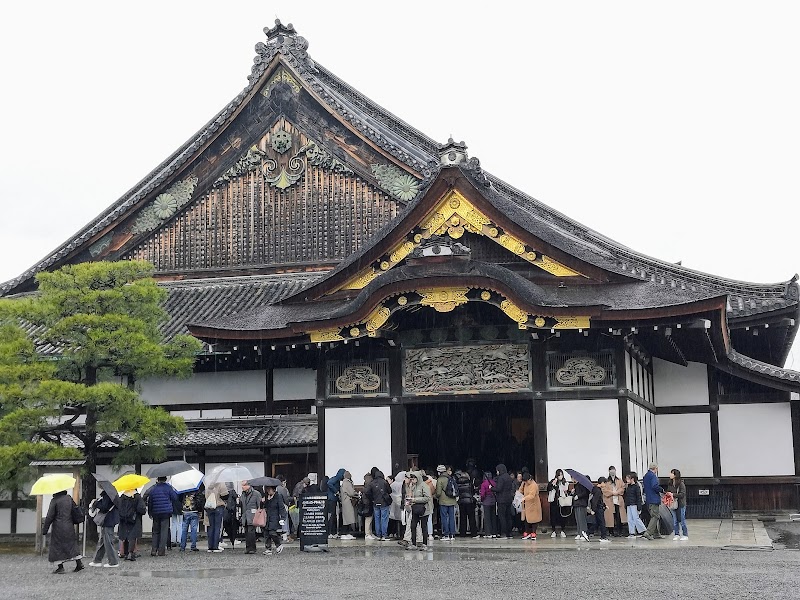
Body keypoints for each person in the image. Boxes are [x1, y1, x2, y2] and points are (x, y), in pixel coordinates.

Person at [43, 490, 84, 574]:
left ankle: (60, 567)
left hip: (58, 527)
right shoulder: (69, 498)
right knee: (72, 545)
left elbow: (50, 516)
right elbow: (74, 510)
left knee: (57, 547)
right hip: (69, 525)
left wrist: (45, 529)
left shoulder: (54, 501)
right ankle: (79, 564)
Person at [89, 489, 120, 567]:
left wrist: (96, 503)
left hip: (108, 520)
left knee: (108, 541)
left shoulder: (107, 494)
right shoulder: (112, 494)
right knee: (103, 541)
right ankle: (97, 560)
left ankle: (113, 561)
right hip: (110, 519)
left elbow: (104, 507)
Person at [147, 476, 177, 557]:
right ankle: (161, 551)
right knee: (164, 531)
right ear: (165, 479)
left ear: (158, 479)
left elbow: (150, 501)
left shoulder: (153, 489)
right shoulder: (168, 488)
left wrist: (150, 512)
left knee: (155, 531)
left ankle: (154, 549)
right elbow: (175, 498)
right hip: (166, 512)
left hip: (155, 512)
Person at [117, 488, 146, 561]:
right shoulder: (137, 496)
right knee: (133, 536)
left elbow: (119, 508)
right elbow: (141, 509)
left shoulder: (122, 497)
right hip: (134, 519)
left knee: (125, 536)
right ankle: (131, 553)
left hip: (124, 519)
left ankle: (126, 554)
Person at [407, 471, 432, 550]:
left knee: (423, 526)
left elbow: (427, 498)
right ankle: (413, 543)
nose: (412, 480)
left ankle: (424, 544)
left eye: (413, 478)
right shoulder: (413, 486)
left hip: (424, 509)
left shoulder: (424, 486)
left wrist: (415, 500)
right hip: (415, 508)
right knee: (413, 525)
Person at [365, 469, 392, 541]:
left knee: (377, 519)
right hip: (384, 503)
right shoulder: (384, 482)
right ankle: (384, 535)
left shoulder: (372, 483)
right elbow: (390, 491)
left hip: (375, 503)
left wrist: (372, 498)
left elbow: (367, 492)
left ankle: (378, 535)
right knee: (384, 519)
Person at [262, 485, 288, 555]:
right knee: (266, 533)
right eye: (267, 489)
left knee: (272, 533)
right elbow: (264, 507)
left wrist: (283, 518)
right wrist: (263, 502)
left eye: (269, 489)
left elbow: (282, 508)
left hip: (275, 518)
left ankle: (278, 545)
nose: (268, 491)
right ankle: (268, 548)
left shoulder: (278, 497)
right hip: (267, 517)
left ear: (273, 489)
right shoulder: (266, 497)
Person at [435, 464, 457, 541]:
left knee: (444, 518)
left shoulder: (440, 479)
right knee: (452, 518)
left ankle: (446, 534)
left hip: (443, 501)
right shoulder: (451, 478)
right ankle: (452, 535)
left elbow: (438, 492)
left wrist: (436, 496)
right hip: (452, 501)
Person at [643, 462, 664, 540]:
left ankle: (656, 533)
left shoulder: (646, 476)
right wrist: (662, 490)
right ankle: (648, 532)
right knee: (655, 516)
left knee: (653, 516)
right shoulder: (653, 476)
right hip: (654, 499)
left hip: (648, 499)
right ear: (655, 468)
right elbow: (655, 486)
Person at [492, 464, 515, 539]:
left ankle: (503, 533)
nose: (497, 472)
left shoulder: (501, 478)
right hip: (508, 499)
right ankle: (509, 533)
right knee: (508, 516)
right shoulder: (508, 477)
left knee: (502, 517)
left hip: (501, 499)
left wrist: (491, 488)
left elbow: (499, 489)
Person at [240, 480, 262, 554]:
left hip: (253, 516)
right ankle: (248, 548)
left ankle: (252, 548)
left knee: (251, 532)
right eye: (242, 485)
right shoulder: (242, 495)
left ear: (249, 486)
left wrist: (259, 514)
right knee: (246, 532)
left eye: (244, 485)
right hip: (245, 516)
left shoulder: (256, 494)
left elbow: (260, 505)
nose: (242, 487)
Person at [178, 487, 204, 552]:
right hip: (194, 511)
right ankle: (193, 546)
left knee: (184, 530)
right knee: (194, 530)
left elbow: (179, 498)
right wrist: (200, 511)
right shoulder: (197, 491)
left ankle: (182, 546)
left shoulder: (183, 490)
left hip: (185, 512)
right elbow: (199, 501)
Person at [518, 470, 542, 540]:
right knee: (526, 519)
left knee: (534, 519)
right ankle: (527, 532)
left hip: (533, 504)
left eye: (526, 481)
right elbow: (520, 491)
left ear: (529, 479)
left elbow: (532, 495)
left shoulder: (533, 485)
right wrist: (522, 485)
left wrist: (524, 498)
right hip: (527, 504)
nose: (525, 483)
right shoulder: (525, 483)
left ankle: (533, 533)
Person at [604, 466, 627, 536]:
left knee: (619, 516)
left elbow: (623, 488)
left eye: (613, 470)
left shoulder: (619, 480)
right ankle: (611, 531)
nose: (612, 472)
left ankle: (620, 531)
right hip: (609, 501)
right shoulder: (606, 481)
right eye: (611, 470)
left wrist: (617, 492)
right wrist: (612, 493)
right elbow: (604, 490)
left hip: (618, 500)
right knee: (610, 517)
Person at [547, 469, 569, 538]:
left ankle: (563, 530)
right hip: (554, 501)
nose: (560, 476)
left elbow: (566, 491)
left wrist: (565, 491)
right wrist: (552, 484)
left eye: (561, 475)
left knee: (562, 516)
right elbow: (548, 489)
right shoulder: (553, 481)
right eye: (559, 475)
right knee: (553, 516)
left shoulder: (564, 482)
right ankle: (553, 531)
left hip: (562, 501)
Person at [206, 481, 227, 552]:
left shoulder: (208, 485)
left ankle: (210, 547)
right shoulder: (221, 483)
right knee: (217, 527)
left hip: (209, 507)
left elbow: (205, 496)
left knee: (211, 527)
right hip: (218, 506)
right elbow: (225, 495)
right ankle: (215, 546)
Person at [624, 472, 646, 537]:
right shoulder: (628, 486)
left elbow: (638, 497)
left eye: (628, 479)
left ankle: (643, 530)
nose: (627, 480)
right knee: (629, 519)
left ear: (632, 479)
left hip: (634, 504)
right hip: (629, 504)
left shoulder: (636, 486)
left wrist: (639, 507)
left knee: (636, 518)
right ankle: (632, 532)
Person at [668, 468, 688, 541]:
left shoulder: (681, 484)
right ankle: (676, 534)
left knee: (682, 519)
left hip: (680, 503)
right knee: (675, 520)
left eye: (672, 473)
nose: (670, 474)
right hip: (673, 504)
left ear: (675, 475)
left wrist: (672, 494)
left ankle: (685, 534)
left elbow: (682, 494)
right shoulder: (670, 483)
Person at [456, 469, 477, 537]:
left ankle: (462, 533)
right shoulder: (470, 483)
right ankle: (473, 533)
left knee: (463, 518)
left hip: (461, 501)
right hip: (469, 501)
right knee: (471, 518)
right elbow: (472, 492)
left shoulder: (458, 483)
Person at [590, 477, 610, 542]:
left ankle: (587, 533)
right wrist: (593, 509)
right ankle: (603, 537)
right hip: (598, 508)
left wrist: (604, 505)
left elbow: (599, 500)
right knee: (602, 523)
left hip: (598, 507)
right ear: (602, 483)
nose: (605, 485)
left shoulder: (596, 489)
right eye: (605, 483)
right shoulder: (598, 491)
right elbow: (595, 501)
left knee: (597, 523)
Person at [327, 468, 346, 539]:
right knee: (332, 516)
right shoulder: (335, 479)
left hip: (333, 499)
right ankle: (330, 532)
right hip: (331, 500)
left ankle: (332, 532)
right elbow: (329, 483)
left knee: (333, 516)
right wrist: (336, 491)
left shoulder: (336, 480)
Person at [339, 471, 358, 539]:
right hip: (348, 502)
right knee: (348, 518)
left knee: (347, 518)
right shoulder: (347, 483)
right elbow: (351, 493)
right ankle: (344, 533)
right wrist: (356, 493)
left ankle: (347, 533)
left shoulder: (344, 482)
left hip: (345, 501)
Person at [479, 471, 497, 538]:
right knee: (493, 517)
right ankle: (494, 532)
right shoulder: (494, 483)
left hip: (486, 502)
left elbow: (483, 494)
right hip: (493, 501)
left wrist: (481, 500)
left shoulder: (483, 484)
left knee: (487, 518)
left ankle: (488, 533)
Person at [363, 470, 375, 539]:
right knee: (369, 518)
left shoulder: (365, 483)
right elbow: (368, 493)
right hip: (368, 502)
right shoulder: (370, 483)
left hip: (365, 501)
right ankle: (368, 533)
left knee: (368, 518)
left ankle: (369, 533)